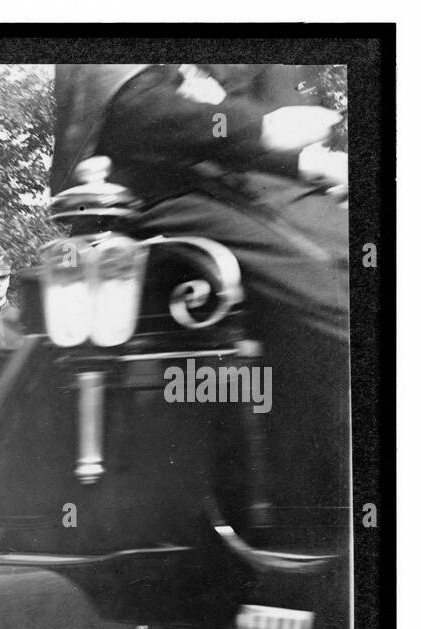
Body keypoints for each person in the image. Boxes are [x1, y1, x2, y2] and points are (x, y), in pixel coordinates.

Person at [51, 63, 349, 546]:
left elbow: (276, 89)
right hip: (163, 177)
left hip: (252, 173)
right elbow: (132, 109)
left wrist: (306, 159)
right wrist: (265, 130)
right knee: (338, 285)